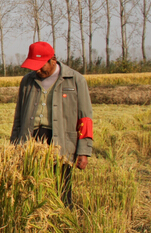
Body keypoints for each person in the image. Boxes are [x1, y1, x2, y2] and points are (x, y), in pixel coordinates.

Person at [10, 42, 93, 206]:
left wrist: (84, 150)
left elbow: (85, 119)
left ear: (53, 60)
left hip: (61, 141)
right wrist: (14, 144)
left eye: (40, 66)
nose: (37, 70)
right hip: (31, 141)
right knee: (31, 188)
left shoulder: (75, 80)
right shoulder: (27, 81)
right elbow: (18, 116)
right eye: (34, 67)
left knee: (62, 189)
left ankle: (62, 222)